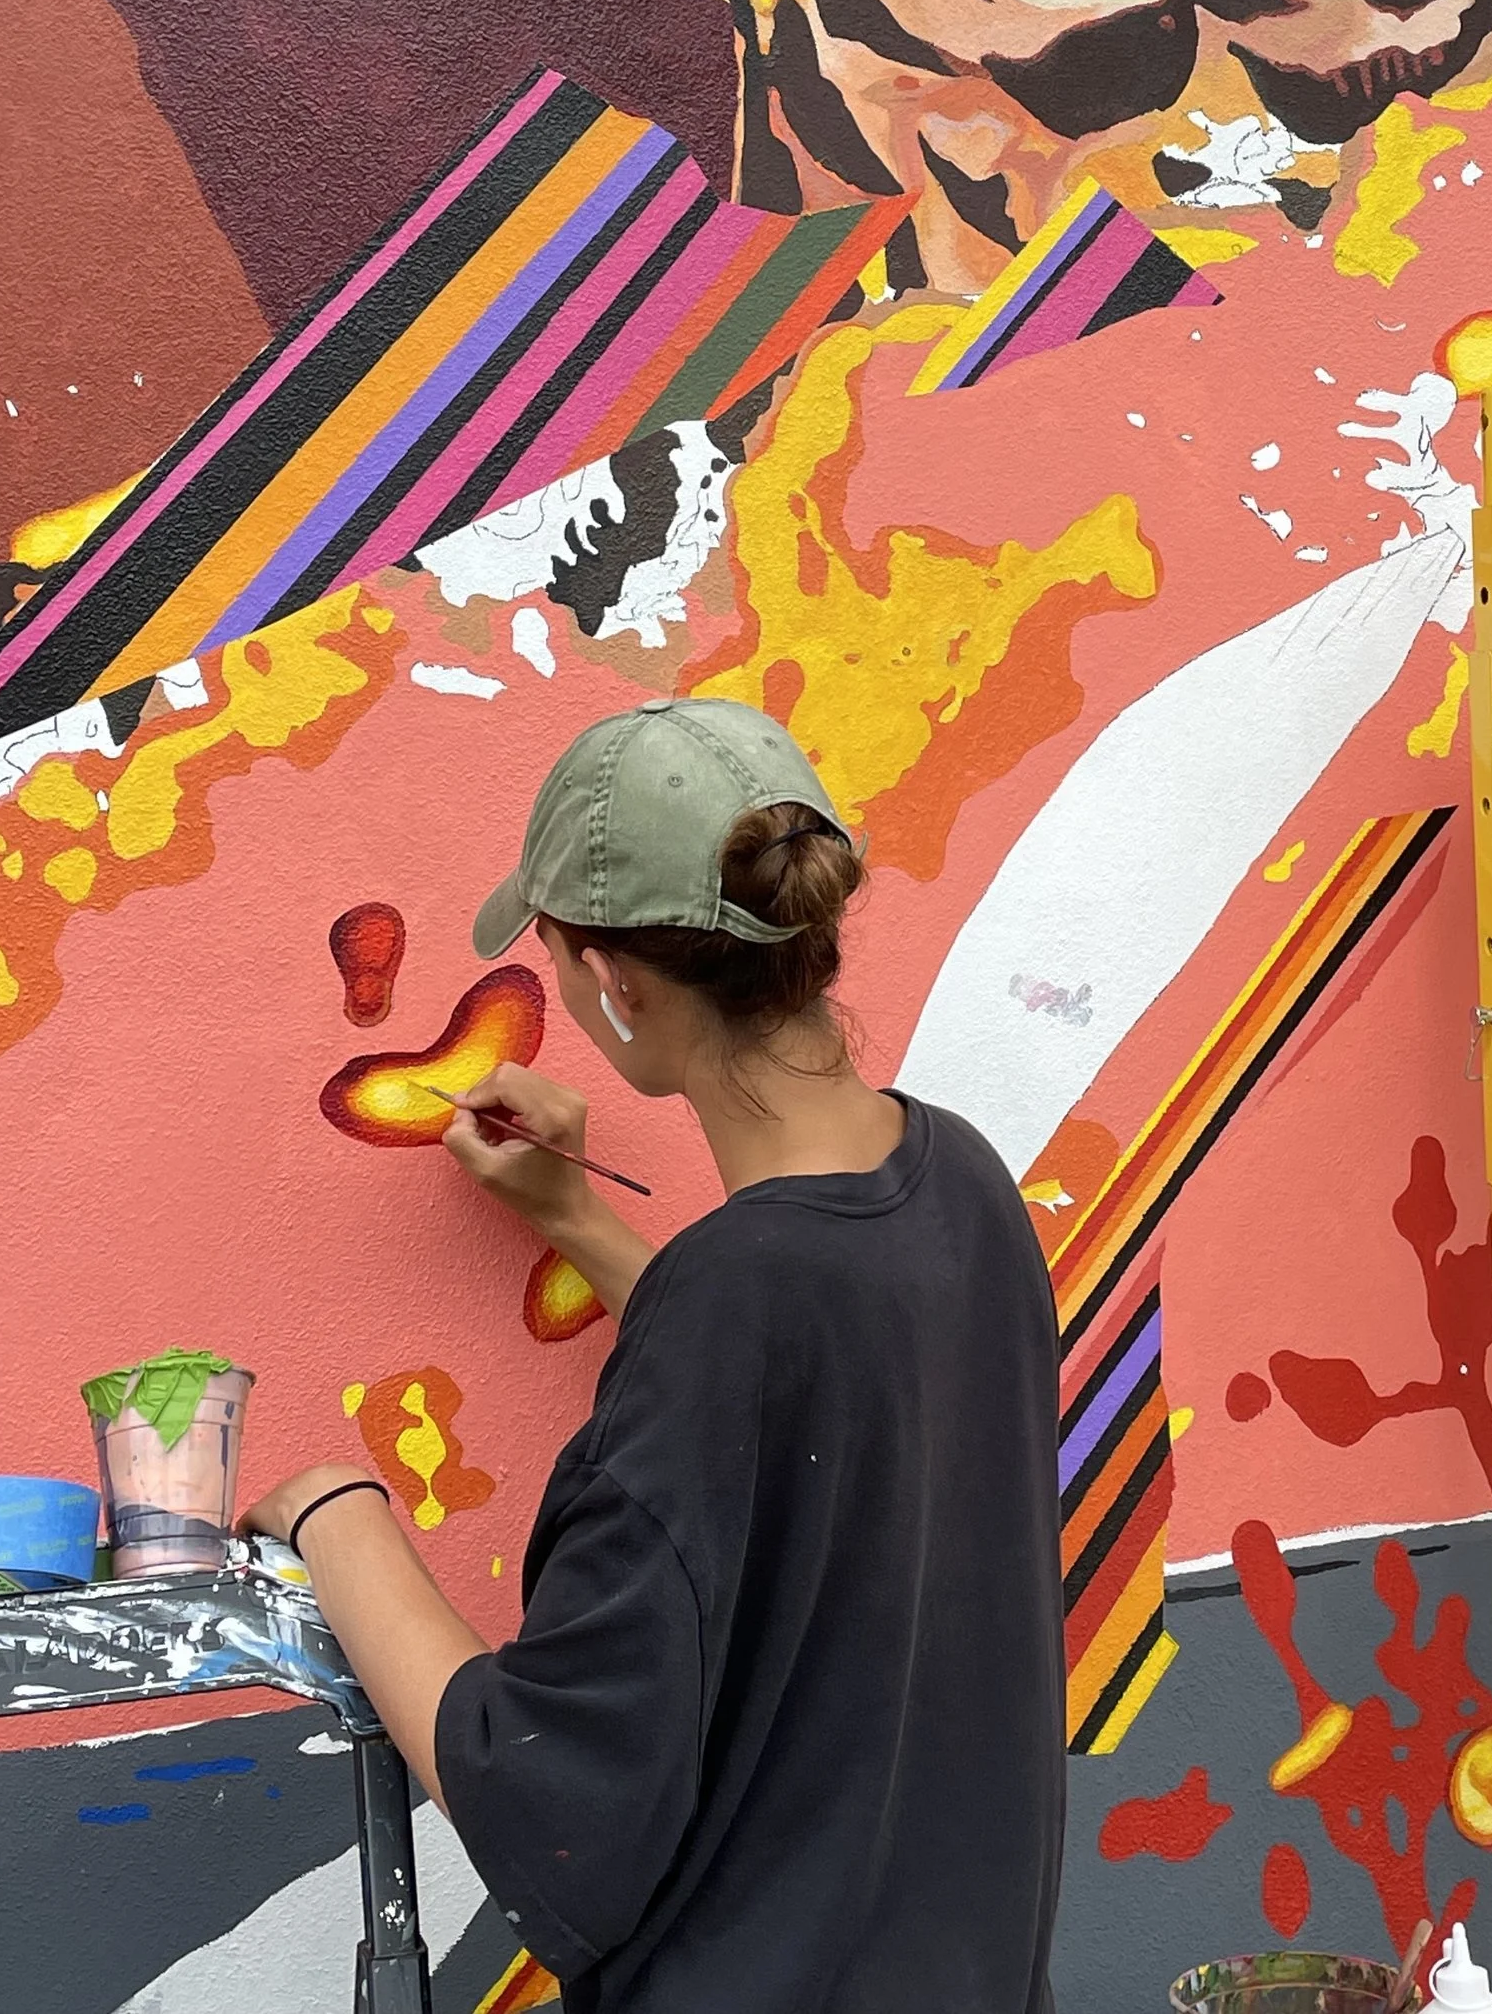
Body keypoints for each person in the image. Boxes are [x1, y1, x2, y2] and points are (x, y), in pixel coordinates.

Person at [240, 695, 1065, 2011]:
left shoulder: (735, 1308)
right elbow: (807, 1385)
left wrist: (338, 1520)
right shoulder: (961, 1182)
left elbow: (541, 1789)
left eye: (563, 959)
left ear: (614, 981)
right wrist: (574, 1218)